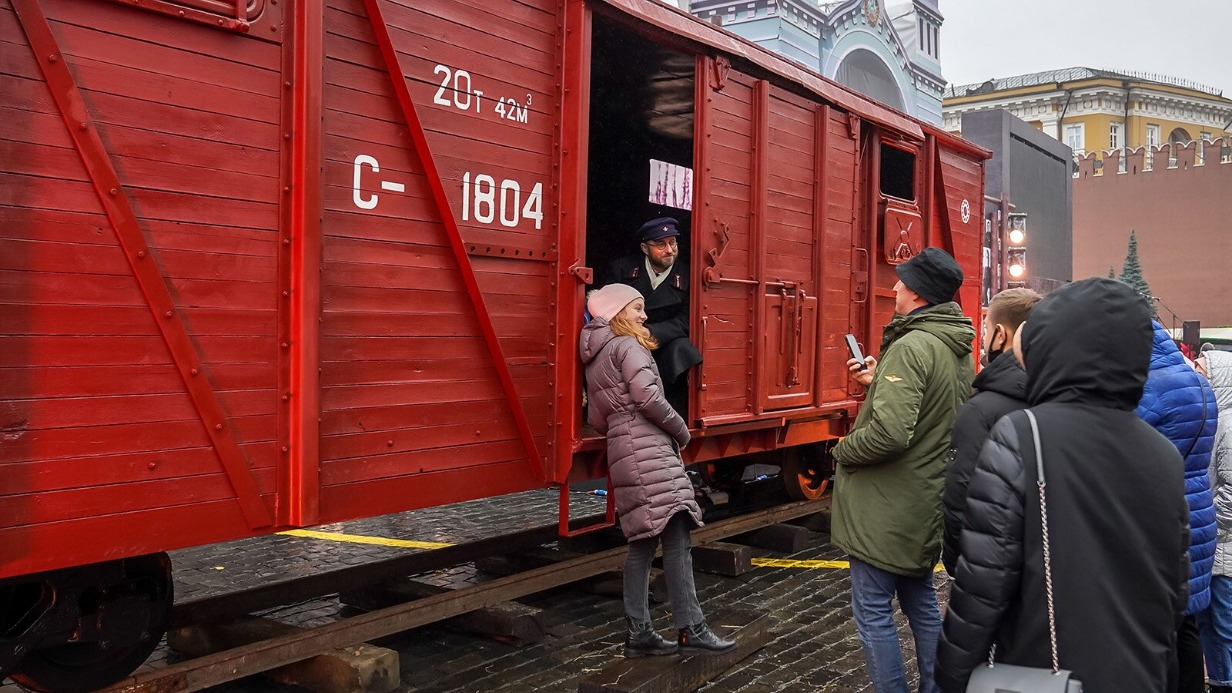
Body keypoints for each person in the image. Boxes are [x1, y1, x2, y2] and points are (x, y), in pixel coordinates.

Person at [935, 278, 1190, 693]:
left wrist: (951, 675)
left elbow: (982, 586)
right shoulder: (1162, 453)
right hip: (1139, 675)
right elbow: (1172, 595)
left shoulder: (1021, 434)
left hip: (1043, 673)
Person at [831, 247, 975, 693]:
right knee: (920, 601)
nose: (894, 287)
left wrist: (842, 450)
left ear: (917, 293)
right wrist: (879, 384)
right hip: (923, 498)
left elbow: (890, 434)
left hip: (886, 506)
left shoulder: (911, 345)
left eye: (901, 281)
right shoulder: (955, 347)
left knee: (873, 611)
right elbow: (935, 410)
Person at [578, 283, 734, 657]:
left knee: (642, 542)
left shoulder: (597, 354)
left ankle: (640, 633)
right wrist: (681, 431)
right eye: (637, 308)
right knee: (677, 534)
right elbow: (648, 398)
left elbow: (597, 417)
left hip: (623, 447)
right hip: (649, 446)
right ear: (618, 312)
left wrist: (623, 429)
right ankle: (690, 627)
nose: (644, 316)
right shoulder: (629, 346)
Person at [1136, 320, 1217, 693]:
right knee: (1188, 622)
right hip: (1198, 510)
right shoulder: (1196, 382)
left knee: (1158, 628)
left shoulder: (1151, 387)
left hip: (1162, 514)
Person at [942, 287, 1040, 576]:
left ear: (1000, 334)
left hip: (989, 564)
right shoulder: (1058, 394)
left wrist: (956, 561)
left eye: (985, 328)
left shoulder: (982, 408)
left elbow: (961, 492)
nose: (983, 338)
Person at [599, 217, 702, 407]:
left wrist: (650, 332)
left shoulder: (688, 275)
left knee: (683, 349)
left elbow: (687, 319)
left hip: (662, 344)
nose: (669, 250)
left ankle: (671, 408)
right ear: (645, 248)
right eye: (660, 244)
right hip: (625, 340)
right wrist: (632, 332)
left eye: (672, 243)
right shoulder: (621, 270)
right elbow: (605, 311)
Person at [1197, 348, 1232, 693]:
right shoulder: (1216, 418)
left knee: (1222, 627)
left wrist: (1210, 525)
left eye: (1202, 372)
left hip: (1224, 550)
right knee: (1210, 625)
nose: (1197, 377)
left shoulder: (1228, 425)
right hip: (1216, 549)